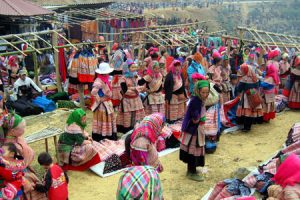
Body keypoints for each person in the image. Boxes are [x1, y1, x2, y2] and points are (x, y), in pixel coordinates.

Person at [180, 80, 210, 182]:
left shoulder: (199, 99)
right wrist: (199, 118)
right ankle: (191, 172)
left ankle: (192, 170)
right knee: (192, 150)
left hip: (197, 128)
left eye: (207, 92)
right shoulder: (195, 101)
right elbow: (195, 117)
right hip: (193, 130)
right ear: (198, 91)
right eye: (203, 92)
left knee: (194, 149)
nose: (205, 95)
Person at [117, 59, 145, 133]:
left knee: (136, 116)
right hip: (127, 101)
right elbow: (125, 91)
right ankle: (127, 131)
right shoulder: (123, 78)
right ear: (127, 68)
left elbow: (142, 86)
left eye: (134, 67)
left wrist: (135, 89)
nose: (134, 69)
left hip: (136, 100)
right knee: (127, 116)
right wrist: (135, 89)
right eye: (132, 67)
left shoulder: (136, 76)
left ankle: (136, 129)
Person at [91, 63, 117, 141]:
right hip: (102, 105)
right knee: (103, 119)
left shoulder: (105, 79)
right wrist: (100, 99)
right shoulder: (98, 81)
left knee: (107, 119)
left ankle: (108, 134)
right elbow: (93, 93)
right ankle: (102, 136)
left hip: (107, 103)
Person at [236, 63, 263, 131]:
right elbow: (257, 87)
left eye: (242, 70)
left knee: (246, 111)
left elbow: (239, 89)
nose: (241, 71)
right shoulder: (255, 77)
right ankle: (249, 126)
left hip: (246, 96)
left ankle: (246, 127)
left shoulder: (244, 79)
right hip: (254, 95)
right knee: (251, 111)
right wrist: (252, 91)